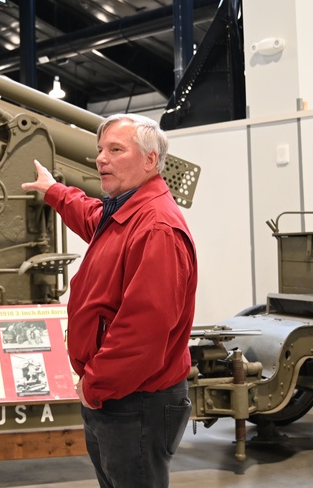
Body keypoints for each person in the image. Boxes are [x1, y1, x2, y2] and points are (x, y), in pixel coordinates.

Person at [21, 113, 197, 488]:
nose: (101, 158)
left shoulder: (156, 229)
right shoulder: (125, 210)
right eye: (100, 150)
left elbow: (142, 332)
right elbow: (92, 217)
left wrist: (94, 385)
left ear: (150, 160)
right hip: (118, 394)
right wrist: (54, 190)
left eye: (116, 149)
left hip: (134, 398)